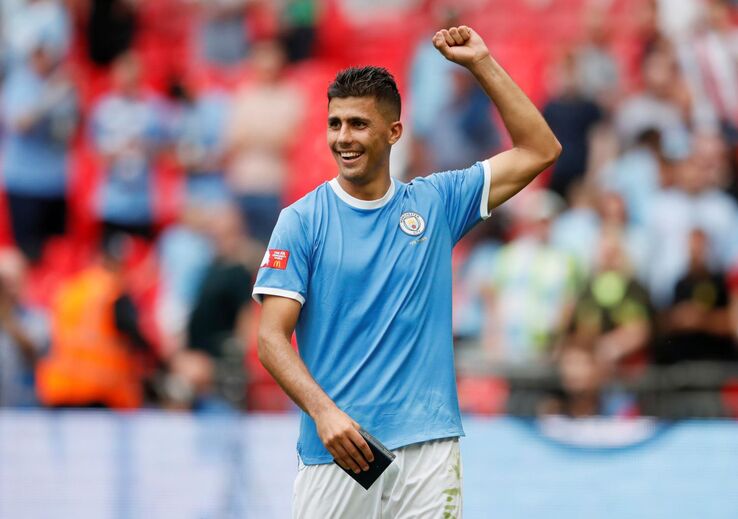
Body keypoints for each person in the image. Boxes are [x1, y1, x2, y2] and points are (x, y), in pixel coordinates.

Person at [254, 26, 560, 517]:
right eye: (335, 124)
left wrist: (480, 63)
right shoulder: (301, 221)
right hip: (339, 450)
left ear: (394, 132)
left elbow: (540, 150)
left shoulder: (437, 203)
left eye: (358, 123)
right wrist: (323, 412)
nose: (343, 137)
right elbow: (271, 338)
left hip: (429, 447)